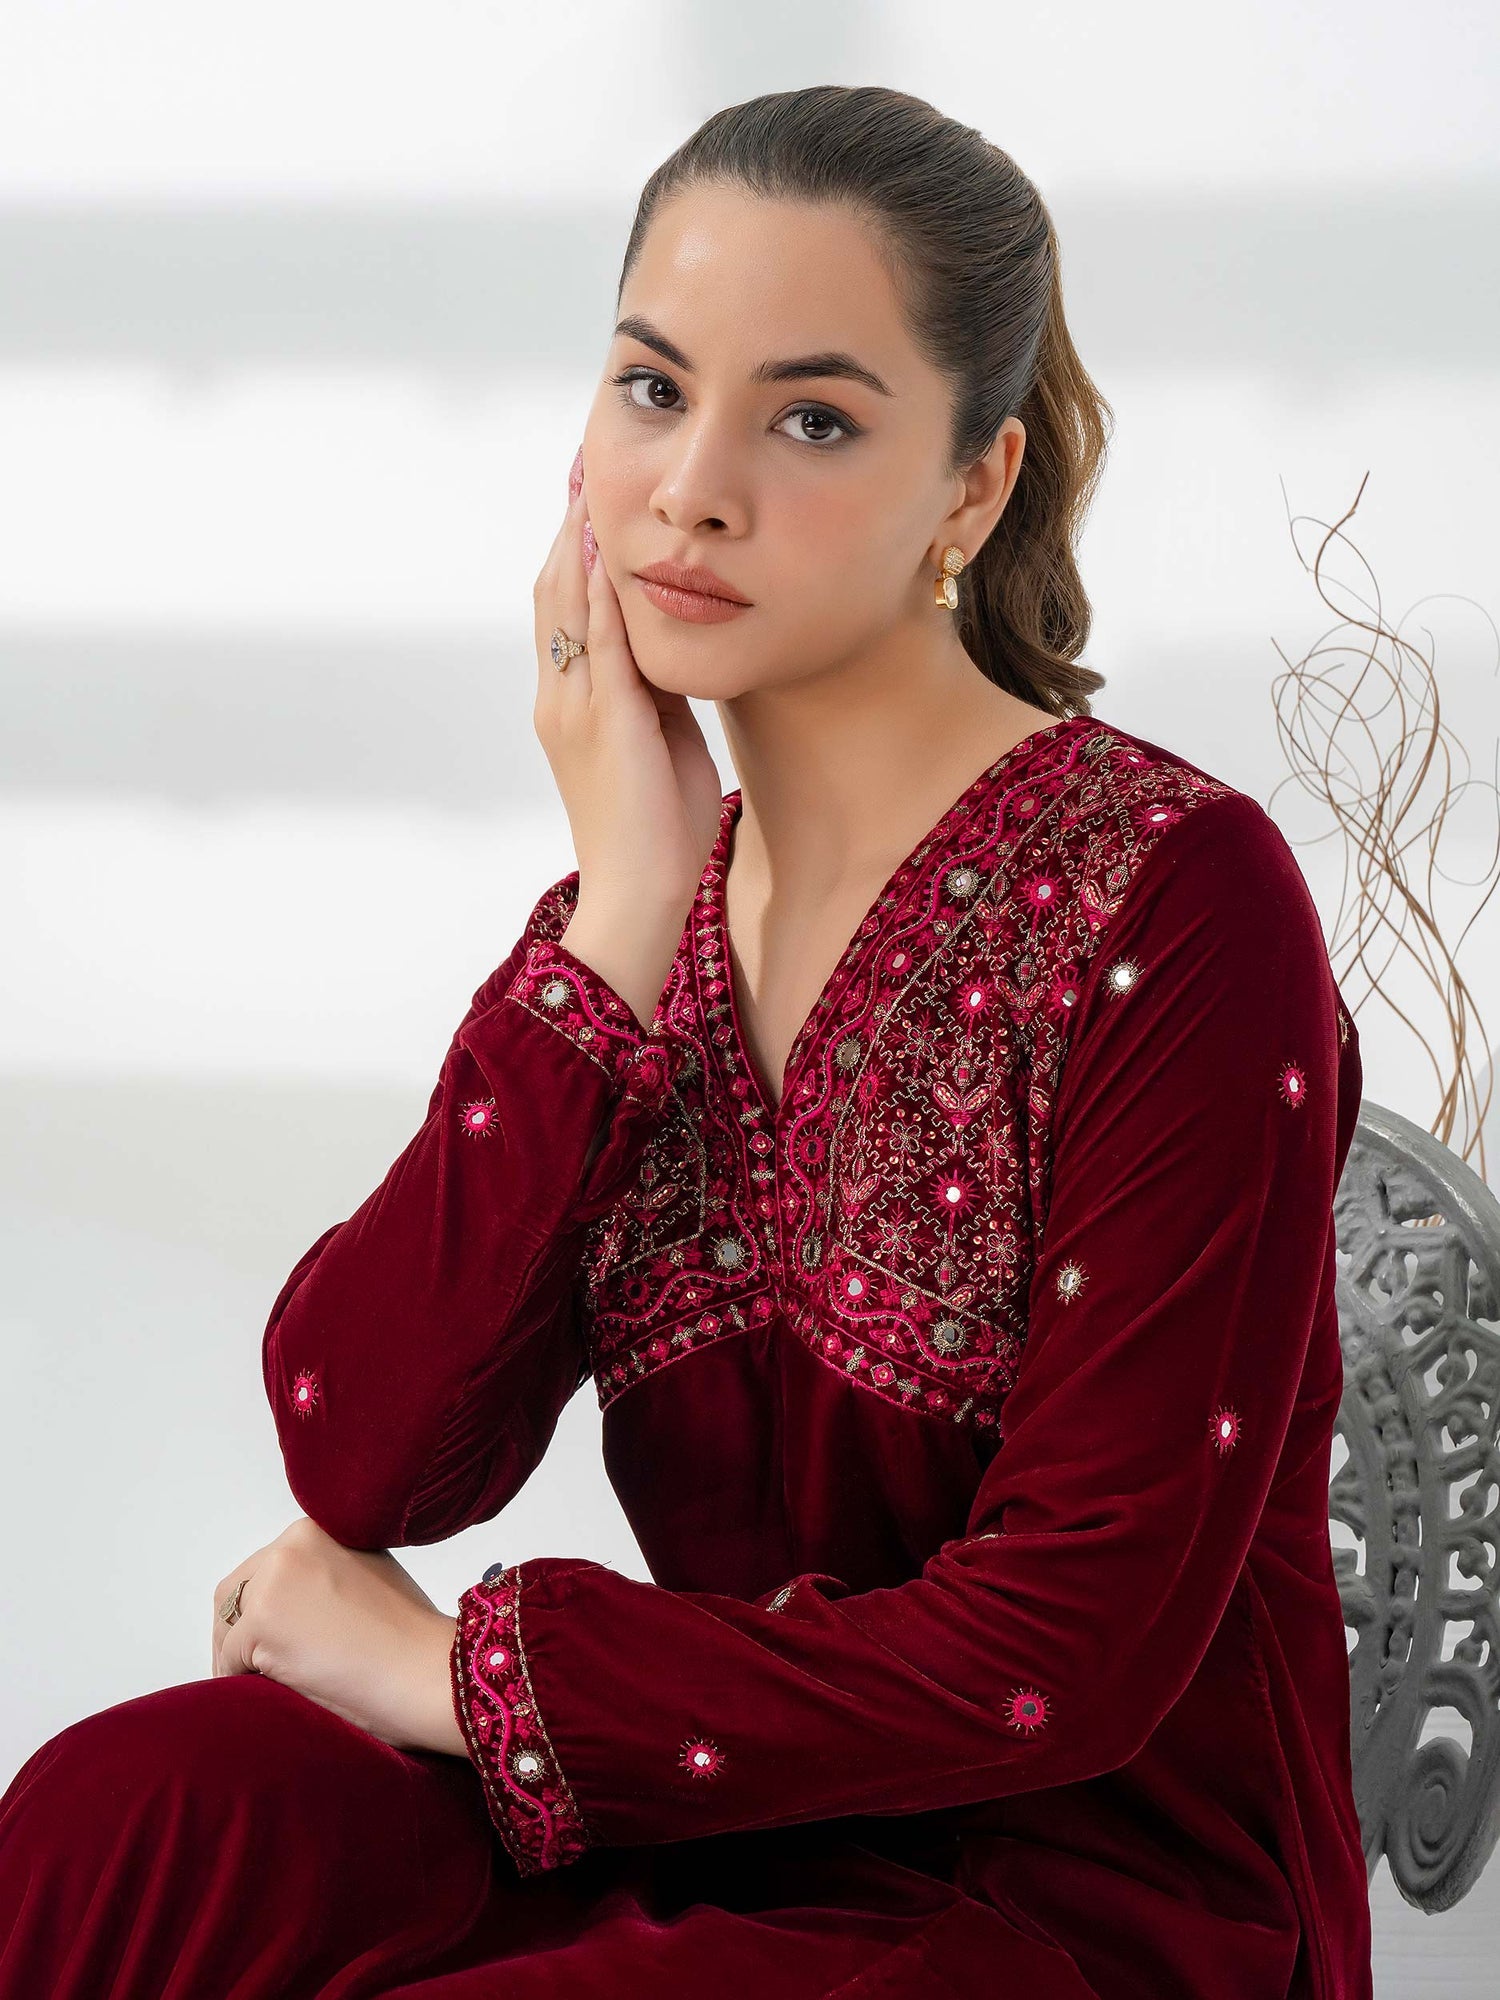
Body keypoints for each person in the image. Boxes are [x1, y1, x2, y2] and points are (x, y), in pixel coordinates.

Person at [0, 83, 1374, 1999]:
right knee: (133, 1818)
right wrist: (625, 909)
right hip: (717, 1820)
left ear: (972, 489)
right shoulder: (651, 919)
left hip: (1084, 1906)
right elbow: (359, 1449)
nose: (692, 487)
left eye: (811, 420)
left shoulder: (1181, 900)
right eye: (654, 387)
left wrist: (460, 1678)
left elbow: (1065, 1654)